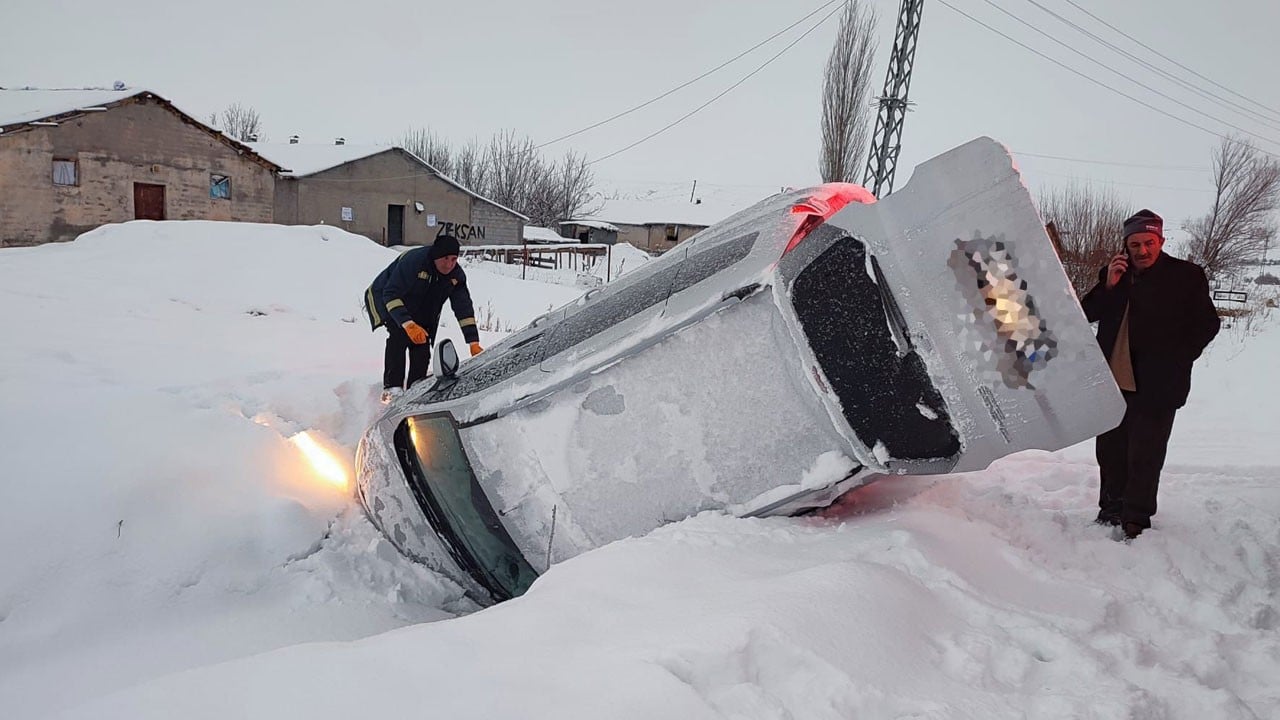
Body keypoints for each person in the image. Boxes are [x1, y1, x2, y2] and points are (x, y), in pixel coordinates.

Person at [1080, 209, 1219, 540]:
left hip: (1158, 385)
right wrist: (1109, 285)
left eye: (1148, 243)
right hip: (1114, 382)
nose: (1141, 251)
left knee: (1145, 454)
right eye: (1135, 244)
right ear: (1126, 245)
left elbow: (1207, 324)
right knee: (1110, 452)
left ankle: (1136, 518)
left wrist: (1179, 357)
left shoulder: (1186, 276)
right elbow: (1088, 312)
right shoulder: (1116, 274)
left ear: (1161, 241)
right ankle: (1110, 509)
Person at [364, 234, 483, 403]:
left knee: (422, 345)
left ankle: (416, 388)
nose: (450, 264)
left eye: (454, 259)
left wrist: (473, 342)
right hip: (391, 301)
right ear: (436, 256)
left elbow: (463, 307)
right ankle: (392, 388)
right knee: (398, 338)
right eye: (446, 259)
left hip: (424, 310)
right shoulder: (414, 262)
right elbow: (390, 294)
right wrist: (408, 324)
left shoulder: (456, 276)